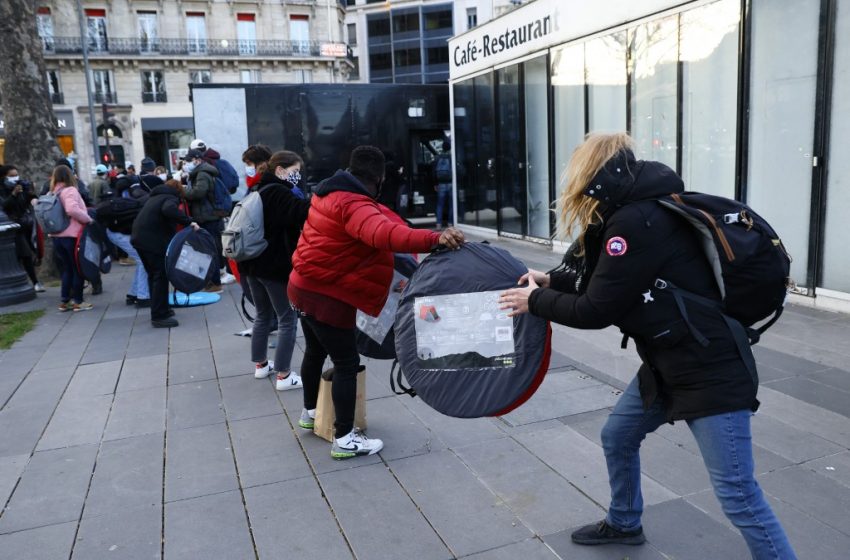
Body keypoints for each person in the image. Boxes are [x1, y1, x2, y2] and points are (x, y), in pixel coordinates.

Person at [498, 133, 797, 559]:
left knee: (738, 493)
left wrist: (535, 301)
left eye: (580, 171)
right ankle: (624, 522)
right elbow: (602, 277)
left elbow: (596, 309)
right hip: (666, 362)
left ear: (596, 173)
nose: (574, 184)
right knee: (618, 436)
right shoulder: (628, 212)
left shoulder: (636, 221)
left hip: (708, 368)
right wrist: (550, 280)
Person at [288, 145, 465, 459]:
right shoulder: (354, 203)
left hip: (303, 285)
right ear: (380, 177)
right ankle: (344, 438)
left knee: (315, 351)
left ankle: (310, 412)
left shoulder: (329, 193)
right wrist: (434, 238)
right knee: (346, 364)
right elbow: (384, 234)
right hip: (328, 295)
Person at [240, 150, 310, 390]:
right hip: (274, 267)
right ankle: (284, 375)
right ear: (280, 170)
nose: (297, 177)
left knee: (262, 315)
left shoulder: (259, 190)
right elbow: (302, 213)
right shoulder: (279, 192)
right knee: (287, 318)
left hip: (252, 265)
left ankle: (261, 366)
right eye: (295, 172)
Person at [131, 179, 199, 328]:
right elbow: (169, 210)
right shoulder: (170, 198)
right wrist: (189, 221)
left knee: (153, 275)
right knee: (160, 276)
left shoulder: (155, 196)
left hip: (139, 239)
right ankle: (159, 315)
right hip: (151, 242)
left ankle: (161, 308)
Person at [43, 165, 93, 312]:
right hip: (71, 236)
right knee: (78, 269)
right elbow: (71, 209)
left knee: (67, 269)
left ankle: (65, 301)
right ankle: (78, 301)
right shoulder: (70, 190)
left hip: (57, 236)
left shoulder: (52, 192)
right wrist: (87, 219)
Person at [95, 193, 149, 308]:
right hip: (119, 234)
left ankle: (134, 294)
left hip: (115, 232)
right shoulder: (149, 206)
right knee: (143, 261)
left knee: (142, 261)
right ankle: (142, 297)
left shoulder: (144, 202)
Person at [181, 148, 224, 292]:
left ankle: (215, 283)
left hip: (208, 217)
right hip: (207, 216)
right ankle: (210, 281)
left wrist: (181, 190)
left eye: (188, 160)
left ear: (197, 160)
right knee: (207, 249)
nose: (186, 163)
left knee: (209, 250)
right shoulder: (200, 172)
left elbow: (198, 192)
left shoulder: (202, 173)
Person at [0, 165, 43, 292]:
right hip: (11, 227)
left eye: (16, 175)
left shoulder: (21, 186)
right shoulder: (3, 190)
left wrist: (32, 196)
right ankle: (33, 281)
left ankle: (28, 280)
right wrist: (13, 194)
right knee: (25, 254)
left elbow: (29, 198)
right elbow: (4, 206)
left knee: (28, 252)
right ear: (4, 177)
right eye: (11, 176)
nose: (15, 178)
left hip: (25, 224)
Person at [433, 140, 454, 228]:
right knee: (451, 204)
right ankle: (450, 223)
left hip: (441, 184)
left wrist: (435, 183)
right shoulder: (451, 157)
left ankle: (438, 224)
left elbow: (433, 171)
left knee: (440, 205)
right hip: (450, 183)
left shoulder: (438, 158)